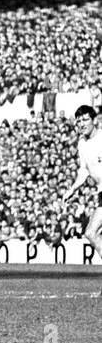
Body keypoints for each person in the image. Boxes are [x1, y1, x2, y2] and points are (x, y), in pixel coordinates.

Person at [62, 104, 102, 259]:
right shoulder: (82, 143)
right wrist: (72, 189)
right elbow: (84, 170)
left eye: (85, 120)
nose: (82, 124)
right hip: (101, 192)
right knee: (91, 233)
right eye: (79, 121)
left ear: (94, 120)